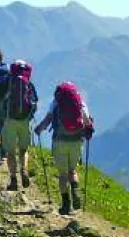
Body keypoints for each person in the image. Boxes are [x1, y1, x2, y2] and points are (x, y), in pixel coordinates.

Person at [34, 82, 95, 216]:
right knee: (72, 171)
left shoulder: (56, 103)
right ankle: (75, 189)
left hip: (60, 140)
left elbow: (48, 120)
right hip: (76, 141)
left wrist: (39, 129)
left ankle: (66, 205)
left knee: (63, 174)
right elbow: (87, 122)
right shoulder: (80, 102)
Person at [0, 60, 38, 190]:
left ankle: (13, 179)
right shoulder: (29, 84)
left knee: (10, 152)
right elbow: (34, 102)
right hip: (24, 121)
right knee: (23, 150)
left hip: (10, 120)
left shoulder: (8, 82)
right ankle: (24, 170)